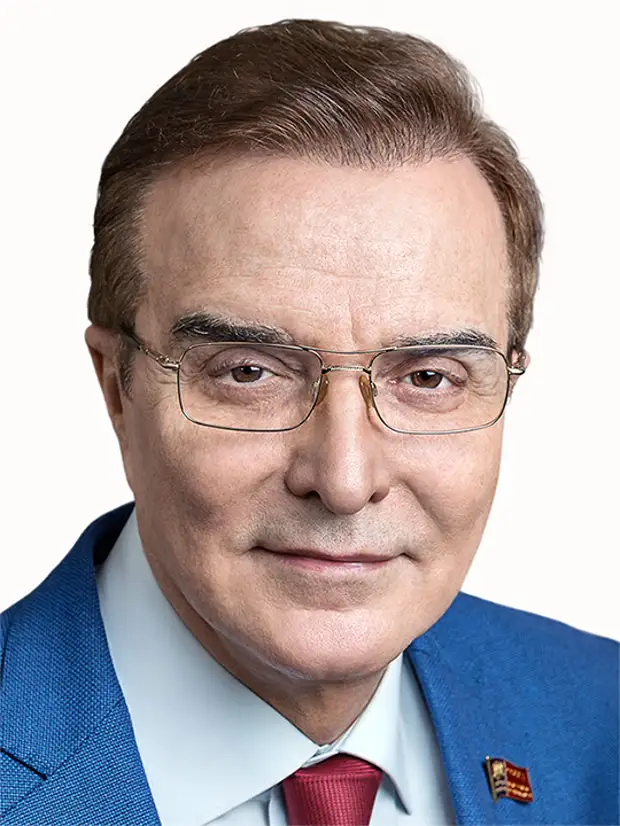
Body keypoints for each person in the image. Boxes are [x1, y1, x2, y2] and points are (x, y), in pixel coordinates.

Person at [0, 17, 617, 826]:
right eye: (250, 373)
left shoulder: (601, 720)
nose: (345, 480)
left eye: (428, 377)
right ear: (118, 388)